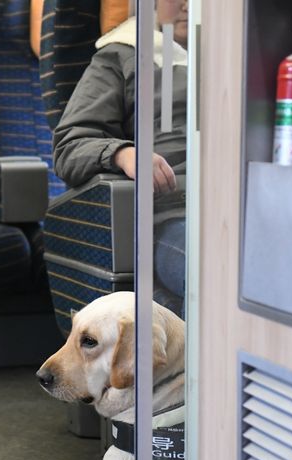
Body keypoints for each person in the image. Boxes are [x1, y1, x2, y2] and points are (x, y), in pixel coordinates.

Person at [53, 0, 189, 316]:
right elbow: (69, 146)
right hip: (172, 214)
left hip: (247, 209)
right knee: (217, 272)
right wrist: (123, 154)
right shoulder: (125, 55)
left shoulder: (245, 54)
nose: (187, 4)